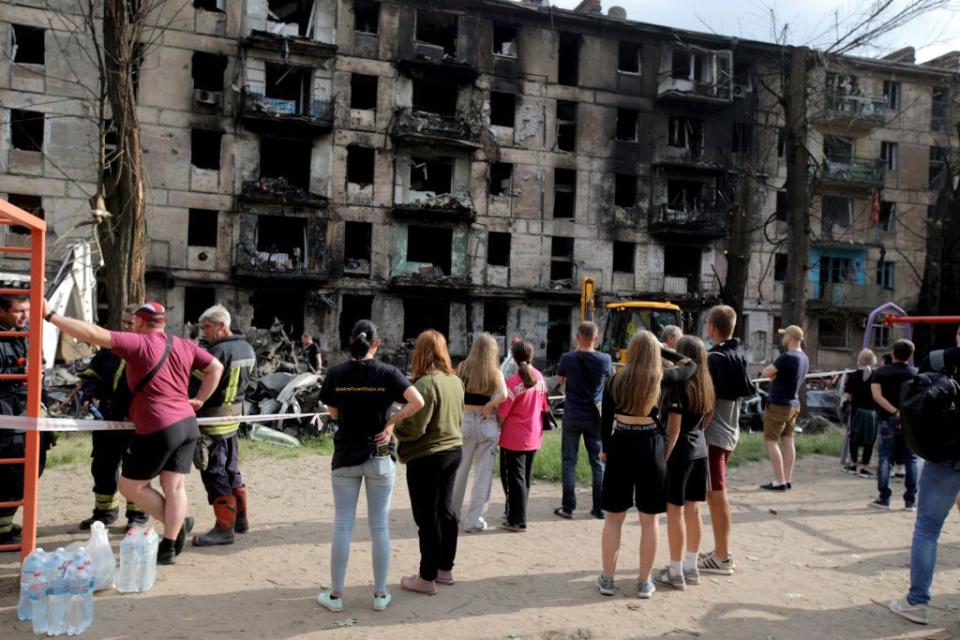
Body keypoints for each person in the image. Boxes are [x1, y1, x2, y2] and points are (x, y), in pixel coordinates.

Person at [45, 301, 223, 564]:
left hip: (159, 426)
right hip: (188, 424)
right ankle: (170, 546)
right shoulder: (184, 344)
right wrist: (199, 399)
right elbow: (216, 367)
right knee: (175, 487)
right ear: (163, 322)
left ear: (140, 323)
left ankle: (177, 522)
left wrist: (50, 316)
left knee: (130, 486)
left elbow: (92, 334)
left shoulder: (138, 344)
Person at [316, 320, 424, 613]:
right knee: (379, 527)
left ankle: (336, 596)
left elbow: (334, 413)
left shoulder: (336, 373)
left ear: (350, 341)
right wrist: (390, 422)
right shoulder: (388, 373)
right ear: (376, 344)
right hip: (379, 454)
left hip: (346, 456)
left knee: (342, 526)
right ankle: (379, 594)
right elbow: (418, 401)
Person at [596, 331, 696, 598]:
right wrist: (663, 351)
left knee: (614, 518)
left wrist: (605, 449)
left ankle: (607, 579)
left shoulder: (615, 380)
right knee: (649, 519)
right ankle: (643, 581)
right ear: (655, 354)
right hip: (651, 445)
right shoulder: (663, 378)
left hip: (621, 444)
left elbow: (605, 422)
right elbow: (691, 364)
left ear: (631, 351)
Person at [888, 327, 960, 625]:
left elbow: (918, 400)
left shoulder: (939, 359)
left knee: (928, 528)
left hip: (947, 455)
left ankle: (917, 601)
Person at [395, 330, 464, 595]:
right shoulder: (454, 380)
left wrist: (395, 423)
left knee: (427, 517)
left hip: (427, 456)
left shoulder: (424, 385)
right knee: (446, 511)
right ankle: (445, 570)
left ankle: (426, 578)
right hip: (453, 450)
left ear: (420, 352)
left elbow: (415, 429)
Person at [77, 304, 148, 531]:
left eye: (131, 323)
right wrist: (89, 395)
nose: (126, 326)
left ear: (142, 324)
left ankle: (137, 516)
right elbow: (91, 375)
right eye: (124, 322)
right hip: (107, 418)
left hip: (137, 422)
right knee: (103, 466)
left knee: (135, 469)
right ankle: (104, 513)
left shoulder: (148, 351)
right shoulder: (110, 349)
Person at [191, 305, 257, 547]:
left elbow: (195, 388)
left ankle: (224, 529)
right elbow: (253, 385)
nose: (204, 332)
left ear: (221, 325)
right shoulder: (248, 348)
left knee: (214, 472)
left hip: (211, 422)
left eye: (207, 327)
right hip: (234, 421)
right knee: (231, 468)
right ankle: (241, 521)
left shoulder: (215, 353)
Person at [655, 336, 715, 591]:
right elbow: (708, 418)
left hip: (680, 453)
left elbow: (674, 429)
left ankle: (675, 570)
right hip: (700, 450)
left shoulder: (680, 386)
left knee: (674, 512)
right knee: (694, 510)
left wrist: (662, 460)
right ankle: (691, 566)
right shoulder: (706, 383)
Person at [698, 305, 749, 576]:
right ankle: (719, 549)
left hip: (714, 435)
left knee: (717, 494)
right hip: (729, 429)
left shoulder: (714, 358)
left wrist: (698, 430)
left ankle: (722, 556)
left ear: (712, 327)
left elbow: (709, 402)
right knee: (712, 492)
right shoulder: (736, 352)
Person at [0, 293, 53, 546]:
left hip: (26, 407)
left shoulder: (27, 334)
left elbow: (37, 366)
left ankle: (5, 523)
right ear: (1, 311)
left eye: (27, 310)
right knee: (9, 468)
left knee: (30, 466)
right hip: (6, 410)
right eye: (18, 311)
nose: (24, 316)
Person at [553, 322, 613, 521]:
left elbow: (560, 381)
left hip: (572, 414)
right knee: (597, 462)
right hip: (595, 416)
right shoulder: (605, 359)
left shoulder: (567, 358)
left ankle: (568, 507)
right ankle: (599, 508)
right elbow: (611, 381)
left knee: (569, 461)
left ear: (577, 336)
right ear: (595, 338)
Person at [452, 333, 507, 533]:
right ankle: (473, 520)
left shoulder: (463, 368)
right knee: (483, 475)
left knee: (460, 471)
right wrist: (490, 404)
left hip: (465, 421)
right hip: (487, 424)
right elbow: (504, 394)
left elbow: (455, 391)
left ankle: (453, 514)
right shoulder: (494, 371)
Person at [498, 340, 548, 533]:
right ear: (531, 355)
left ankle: (517, 520)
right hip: (534, 434)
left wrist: (499, 426)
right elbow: (544, 407)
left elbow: (502, 414)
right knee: (524, 478)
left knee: (514, 478)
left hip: (514, 437)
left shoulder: (512, 382)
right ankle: (518, 514)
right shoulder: (540, 378)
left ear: (513, 357)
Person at [870, 339, 918, 510]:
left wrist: (893, 411)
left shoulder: (881, 373)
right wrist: (903, 413)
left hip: (886, 418)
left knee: (885, 458)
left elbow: (877, 396)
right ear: (911, 355)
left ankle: (884, 498)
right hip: (909, 422)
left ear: (892, 353)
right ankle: (910, 500)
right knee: (911, 459)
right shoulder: (915, 374)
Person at [759, 325, 809, 491]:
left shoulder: (786, 357)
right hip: (793, 404)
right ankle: (786, 479)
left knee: (770, 441)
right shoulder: (804, 358)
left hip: (779, 404)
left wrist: (773, 374)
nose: (782, 338)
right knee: (788, 441)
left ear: (791, 337)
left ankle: (779, 481)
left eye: (784, 335)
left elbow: (765, 373)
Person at [842, 349, 878, 478]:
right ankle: (864, 467)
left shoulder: (853, 376)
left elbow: (848, 396)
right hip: (871, 412)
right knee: (869, 440)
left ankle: (853, 464)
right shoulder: (876, 375)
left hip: (857, 411)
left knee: (854, 437)